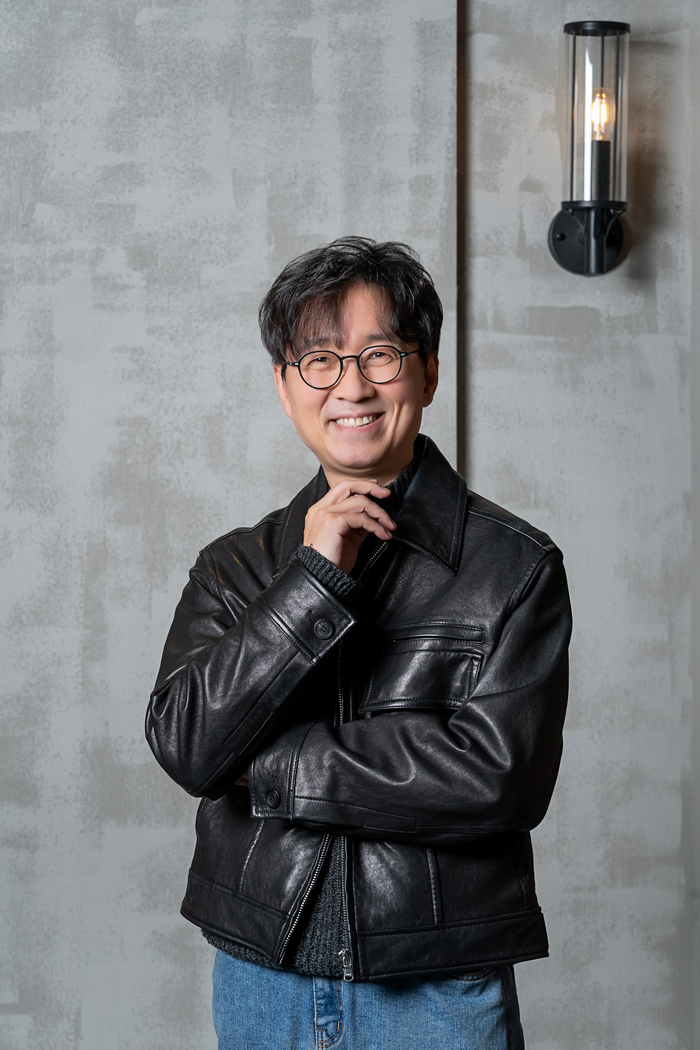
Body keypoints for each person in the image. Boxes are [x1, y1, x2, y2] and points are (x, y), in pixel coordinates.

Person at [146, 237, 571, 1050]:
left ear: (428, 373)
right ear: (284, 387)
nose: (351, 386)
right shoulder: (234, 568)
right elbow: (187, 745)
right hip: (262, 977)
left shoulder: (515, 568)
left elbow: (499, 780)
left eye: (380, 354)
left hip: (439, 984)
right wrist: (311, 579)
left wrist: (269, 767)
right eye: (320, 360)